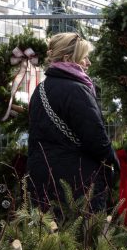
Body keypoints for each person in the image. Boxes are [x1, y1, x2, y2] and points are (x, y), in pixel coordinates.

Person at [28, 32, 119, 213]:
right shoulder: (77, 90)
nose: (88, 63)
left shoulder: (40, 90)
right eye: (84, 57)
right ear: (68, 59)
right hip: (77, 185)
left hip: (42, 181)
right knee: (83, 231)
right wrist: (115, 163)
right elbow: (95, 138)